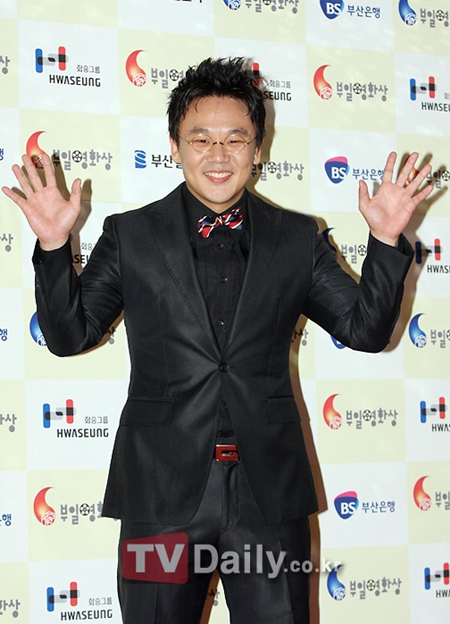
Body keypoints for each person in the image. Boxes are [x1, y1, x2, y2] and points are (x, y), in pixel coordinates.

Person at [2, 57, 432, 624]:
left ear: (258, 148)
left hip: (268, 496)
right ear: (174, 147)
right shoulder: (131, 235)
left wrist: (385, 240)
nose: (218, 154)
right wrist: (55, 247)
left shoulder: (297, 238)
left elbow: (366, 331)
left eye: (236, 138)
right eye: (200, 138)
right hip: (159, 498)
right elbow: (67, 336)